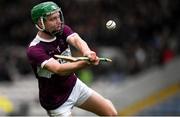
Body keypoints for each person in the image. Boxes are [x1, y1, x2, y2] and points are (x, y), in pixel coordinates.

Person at [26, 1, 117, 116]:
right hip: (56, 102)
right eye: (53, 19)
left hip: (74, 86)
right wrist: (85, 63)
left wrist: (87, 52)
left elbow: (76, 40)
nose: (59, 22)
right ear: (40, 23)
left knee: (111, 113)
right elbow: (59, 69)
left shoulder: (62, 30)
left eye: (59, 16)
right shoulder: (35, 50)